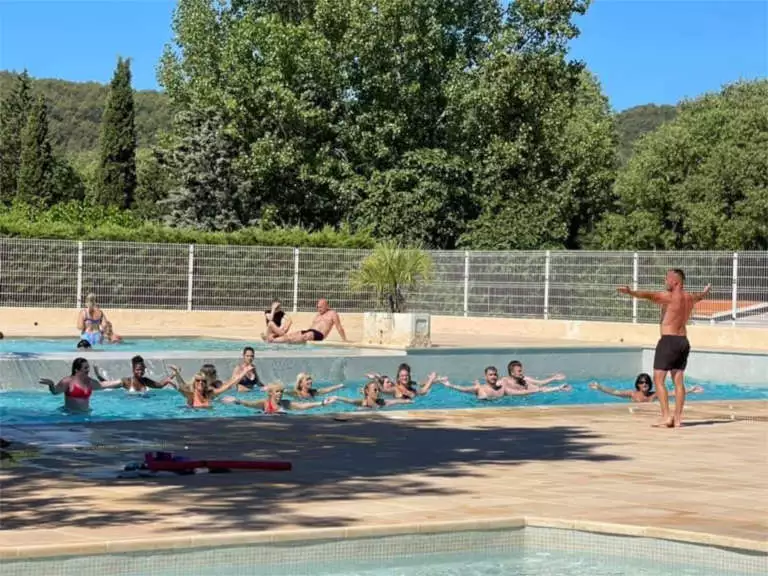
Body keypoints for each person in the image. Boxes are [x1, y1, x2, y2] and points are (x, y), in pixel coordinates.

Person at [617, 268, 711, 428]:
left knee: (659, 380)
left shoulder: (669, 296)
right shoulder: (689, 298)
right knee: (678, 381)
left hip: (668, 341)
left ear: (675, 281)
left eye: (667, 279)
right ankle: (678, 419)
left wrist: (630, 292)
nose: (665, 281)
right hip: (683, 342)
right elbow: (699, 297)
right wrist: (705, 292)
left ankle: (666, 417)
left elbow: (648, 295)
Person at [38, 357, 124, 412]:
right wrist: (51, 385)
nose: (88, 370)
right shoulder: (68, 381)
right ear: (77, 370)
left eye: (88, 367)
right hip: (70, 415)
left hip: (86, 415)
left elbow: (103, 385)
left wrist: (121, 382)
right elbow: (55, 392)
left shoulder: (89, 381)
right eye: (85, 368)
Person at [269, 298, 348, 344]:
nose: (318, 309)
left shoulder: (332, 313)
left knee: (306, 335)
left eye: (320, 307)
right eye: (318, 307)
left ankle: (280, 340)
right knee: (293, 334)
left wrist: (344, 340)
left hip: (319, 334)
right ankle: (273, 340)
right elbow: (312, 327)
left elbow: (339, 327)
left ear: (327, 306)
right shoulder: (318, 315)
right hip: (310, 331)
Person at [221, 383, 336, 413]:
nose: (280, 394)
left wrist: (322, 403)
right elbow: (249, 404)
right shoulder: (264, 403)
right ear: (271, 393)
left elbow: (302, 406)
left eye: (281, 392)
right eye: (277, 392)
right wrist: (237, 401)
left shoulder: (285, 403)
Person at [590, 373, 704, 403]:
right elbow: (615, 392)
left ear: (650, 384)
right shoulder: (632, 394)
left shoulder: (654, 395)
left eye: (646, 382)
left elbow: (672, 393)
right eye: (641, 382)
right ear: (637, 384)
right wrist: (600, 387)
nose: (644, 384)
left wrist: (691, 390)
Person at [172, 365, 249, 409]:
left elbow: (228, 385)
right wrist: (177, 374)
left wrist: (243, 372)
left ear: (206, 383)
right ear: (194, 382)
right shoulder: (191, 395)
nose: (201, 382)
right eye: (198, 381)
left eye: (203, 381)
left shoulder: (210, 393)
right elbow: (182, 387)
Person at [94, 355, 177, 393]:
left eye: (142, 369)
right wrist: (98, 375)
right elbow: (108, 385)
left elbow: (160, 385)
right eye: (137, 370)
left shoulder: (145, 381)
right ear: (133, 369)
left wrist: (174, 374)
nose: (140, 372)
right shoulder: (127, 382)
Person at [334, 379, 413, 410]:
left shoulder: (382, 402)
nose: (377, 392)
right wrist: (336, 397)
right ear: (367, 392)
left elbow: (395, 401)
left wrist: (407, 401)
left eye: (378, 390)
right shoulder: (363, 403)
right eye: (375, 390)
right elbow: (350, 401)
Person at [502, 360, 570, 394]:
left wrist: (559, 387)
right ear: (512, 373)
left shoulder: (523, 380)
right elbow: (515, 393)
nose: (521, 373)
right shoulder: (505, 381)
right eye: (519, 371)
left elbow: (540, 385)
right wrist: (536, 390)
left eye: (521, 370)